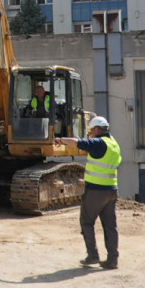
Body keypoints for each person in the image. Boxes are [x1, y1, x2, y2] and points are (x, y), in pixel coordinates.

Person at [55, 115, 122, 270]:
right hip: (111, 190)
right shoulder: (114, 144)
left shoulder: (99, 143)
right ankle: (113, 260)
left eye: (91, 130)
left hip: (96, 191)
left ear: (97, 129)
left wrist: (62, 140)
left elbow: (78, 143)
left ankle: (93, 255)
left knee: (87, 221)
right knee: (110, 226)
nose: (90, 133)